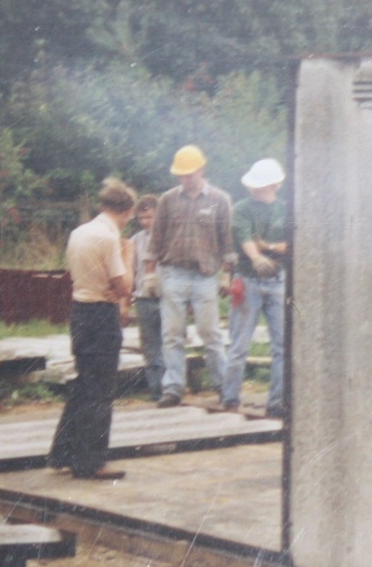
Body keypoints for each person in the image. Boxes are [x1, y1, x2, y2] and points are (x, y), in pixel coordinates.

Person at [47, 177, 138, 478]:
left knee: (84, 383)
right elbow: (123, 286)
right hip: (101, 314)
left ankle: (63, 452)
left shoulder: (80, 232)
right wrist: (129, 257)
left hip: (80, 310)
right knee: (101, 390)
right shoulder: (109, 238)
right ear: (127, 212)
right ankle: (91, 461)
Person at [150, 144, 233, 409]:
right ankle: (173, 388)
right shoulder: (167, 200)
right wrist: (150, 275)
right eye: (181, 175)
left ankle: (224, 386)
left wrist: (226, 276)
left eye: (189, 174)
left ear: (201, 170)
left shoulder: (220, 200)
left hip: (206, 275)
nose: (185, 179)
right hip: (173, 272)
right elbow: (156, 238)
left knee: (210, 333)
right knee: (172, 334)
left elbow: (227, 241)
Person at [223, 157, 289, 417]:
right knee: (239, 344)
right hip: (248, 280)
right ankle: (230, 399)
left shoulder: (287, 209)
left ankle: (276, 403)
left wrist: (269, 248)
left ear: (275, 185)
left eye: (261, 186)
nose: (256, 190)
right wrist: (257, 257)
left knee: (281, 346)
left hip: (278, 281)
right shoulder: (241, 208)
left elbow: (293, 242)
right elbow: (245, 237)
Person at [125, 193, 164, 397]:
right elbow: (130, 271)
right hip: (143, 298)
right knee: (149, 344)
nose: (146, 222)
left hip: (167, 298)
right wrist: (127, 298)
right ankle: (155, 388)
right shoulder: (135, 241)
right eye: (142, 218)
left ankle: (172, 386)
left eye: (150, 217)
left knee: (170, 340)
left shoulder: (169, 237)